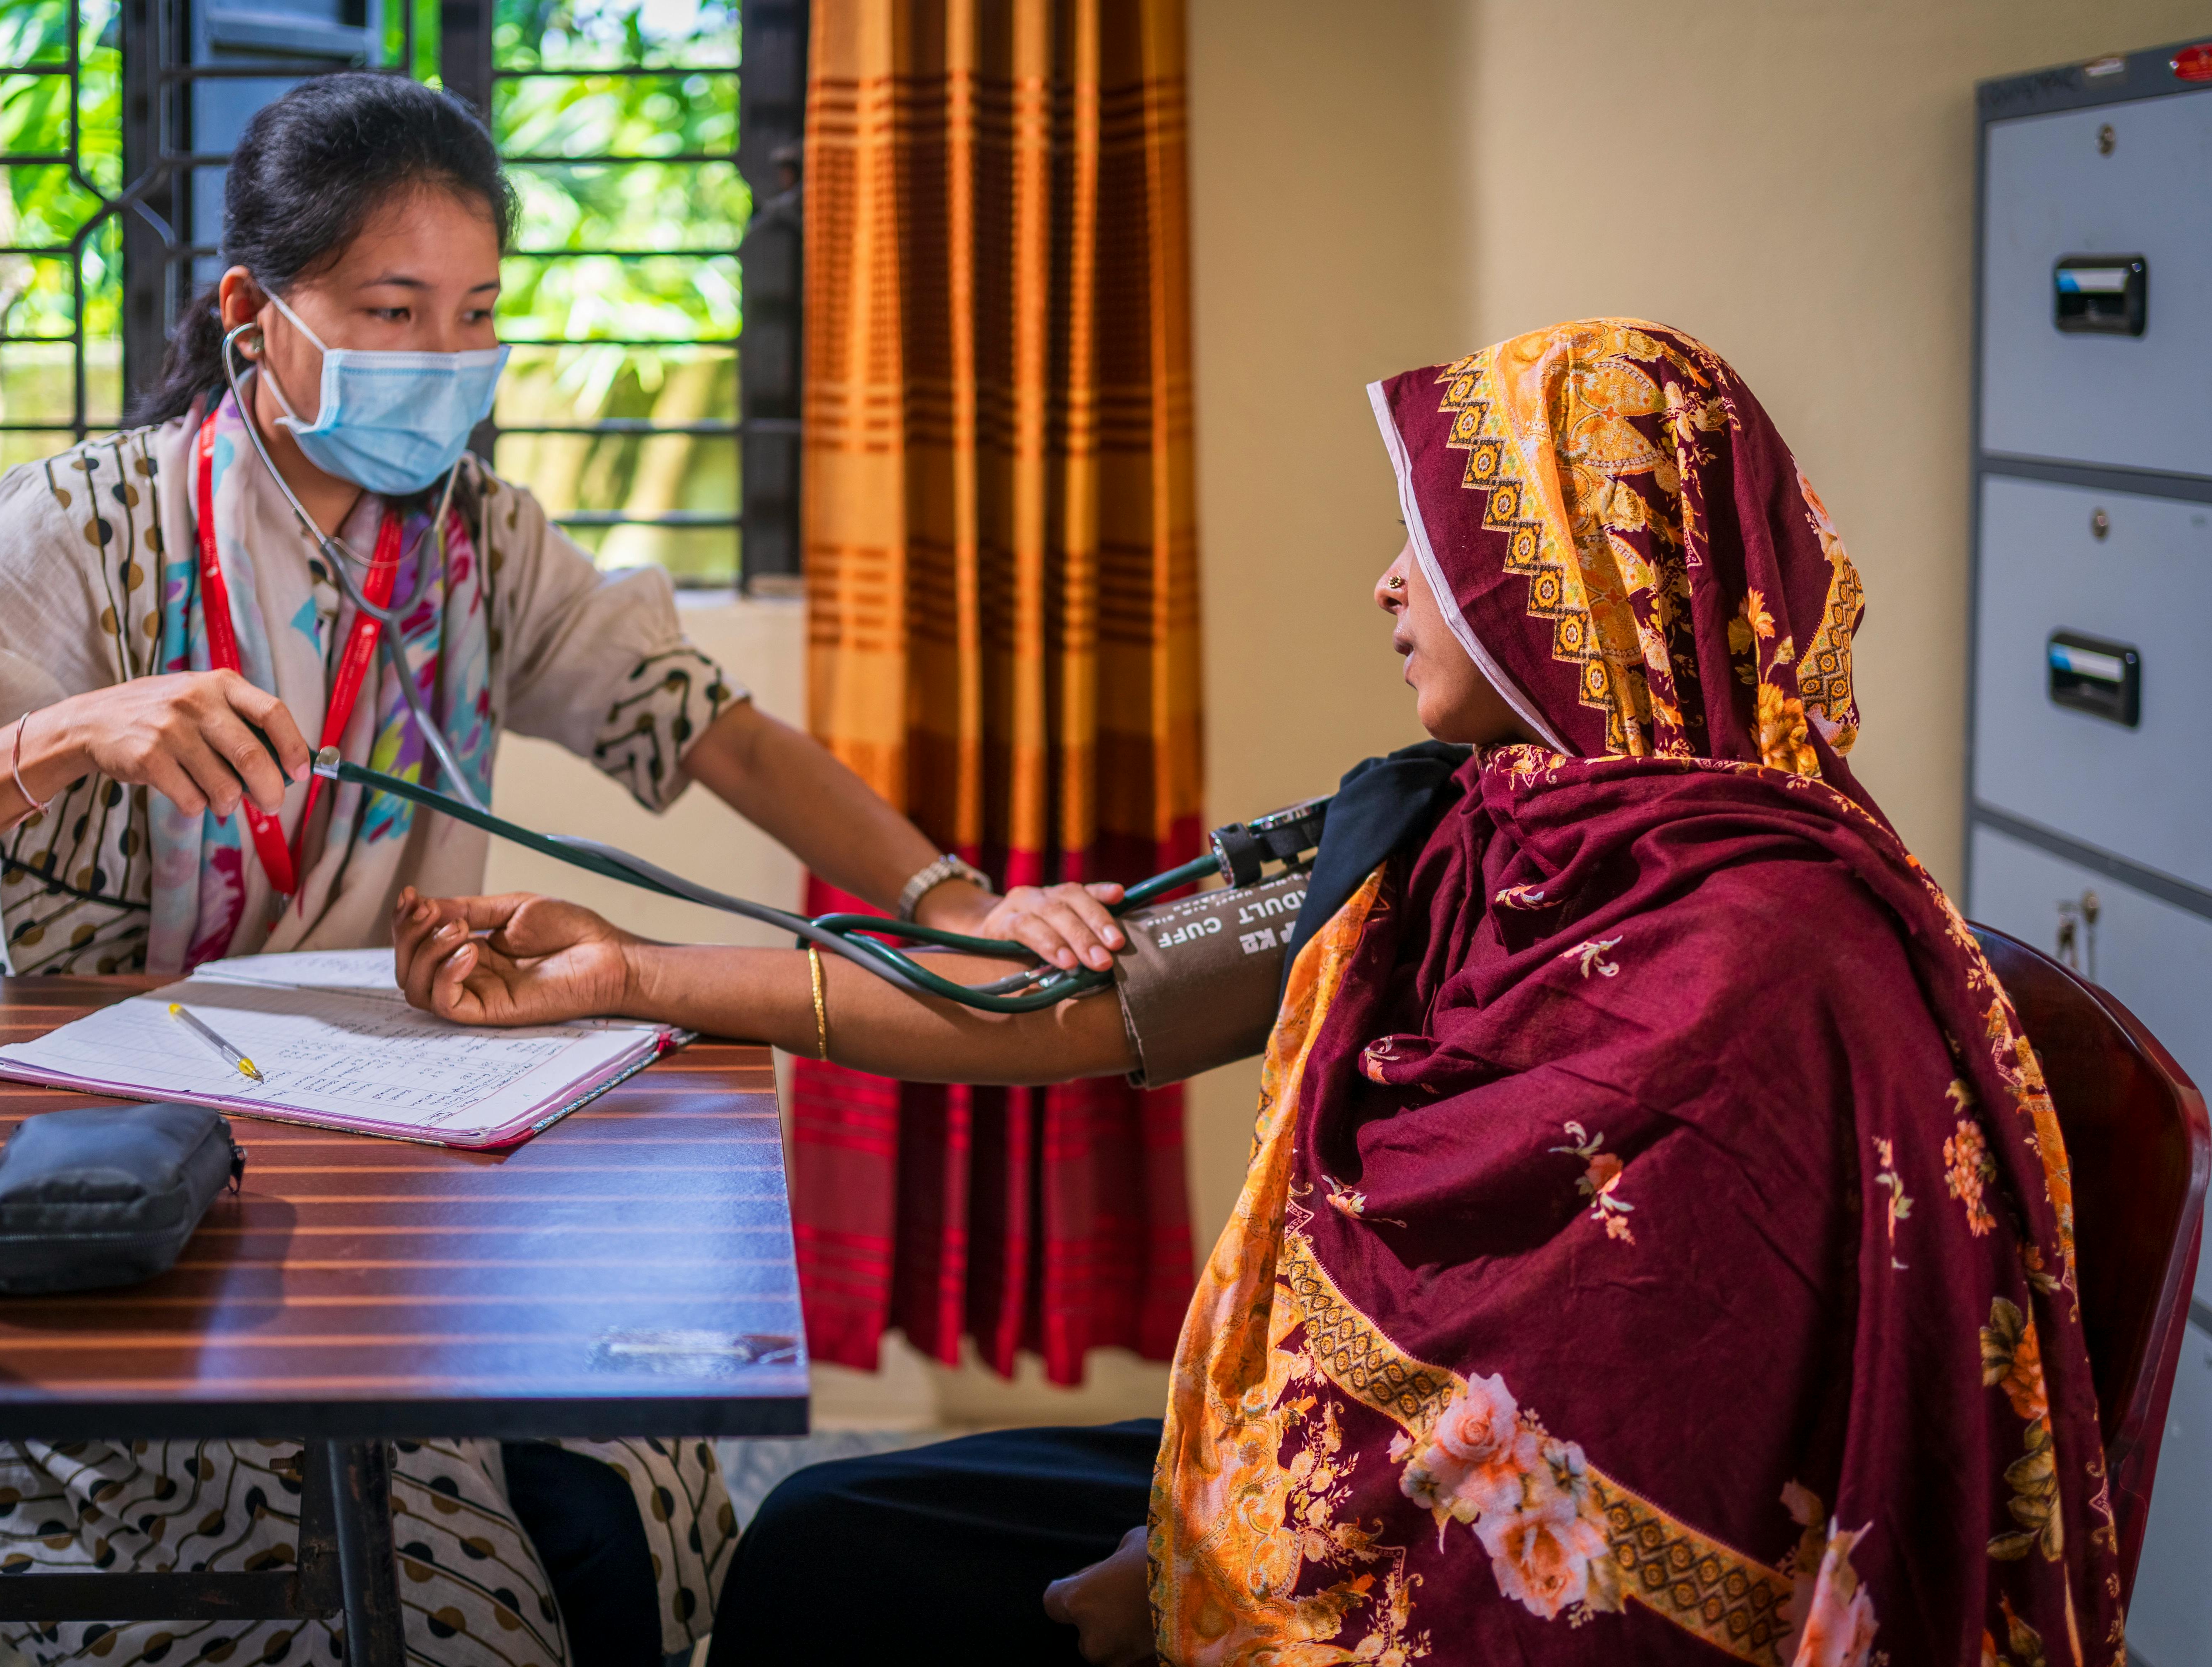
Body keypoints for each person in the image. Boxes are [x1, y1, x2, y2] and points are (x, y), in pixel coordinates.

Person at [390, 320, 2117, 1665]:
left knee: (847, 1589)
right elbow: (1071, 1006)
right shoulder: (1466, 823)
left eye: (1436, 540)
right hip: (1332, 1450)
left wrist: (1205, 1573)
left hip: (1464, 1578)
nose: (1384, 580)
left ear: (1576, 578)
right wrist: (633, 976)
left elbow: (1621, 1433)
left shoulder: (1755, 955)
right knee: (825, 1534)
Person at [0, 72, 1128, 1667]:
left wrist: (951, 902)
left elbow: (719, 736)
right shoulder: (81, 535)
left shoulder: (480, 541)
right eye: (393, 310)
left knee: (643, 1513)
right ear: (254, 310)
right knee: (406, 1607)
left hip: (403, 1165)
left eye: (477, 316)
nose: (445, 364)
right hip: (125, 1202)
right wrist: (65, 736)